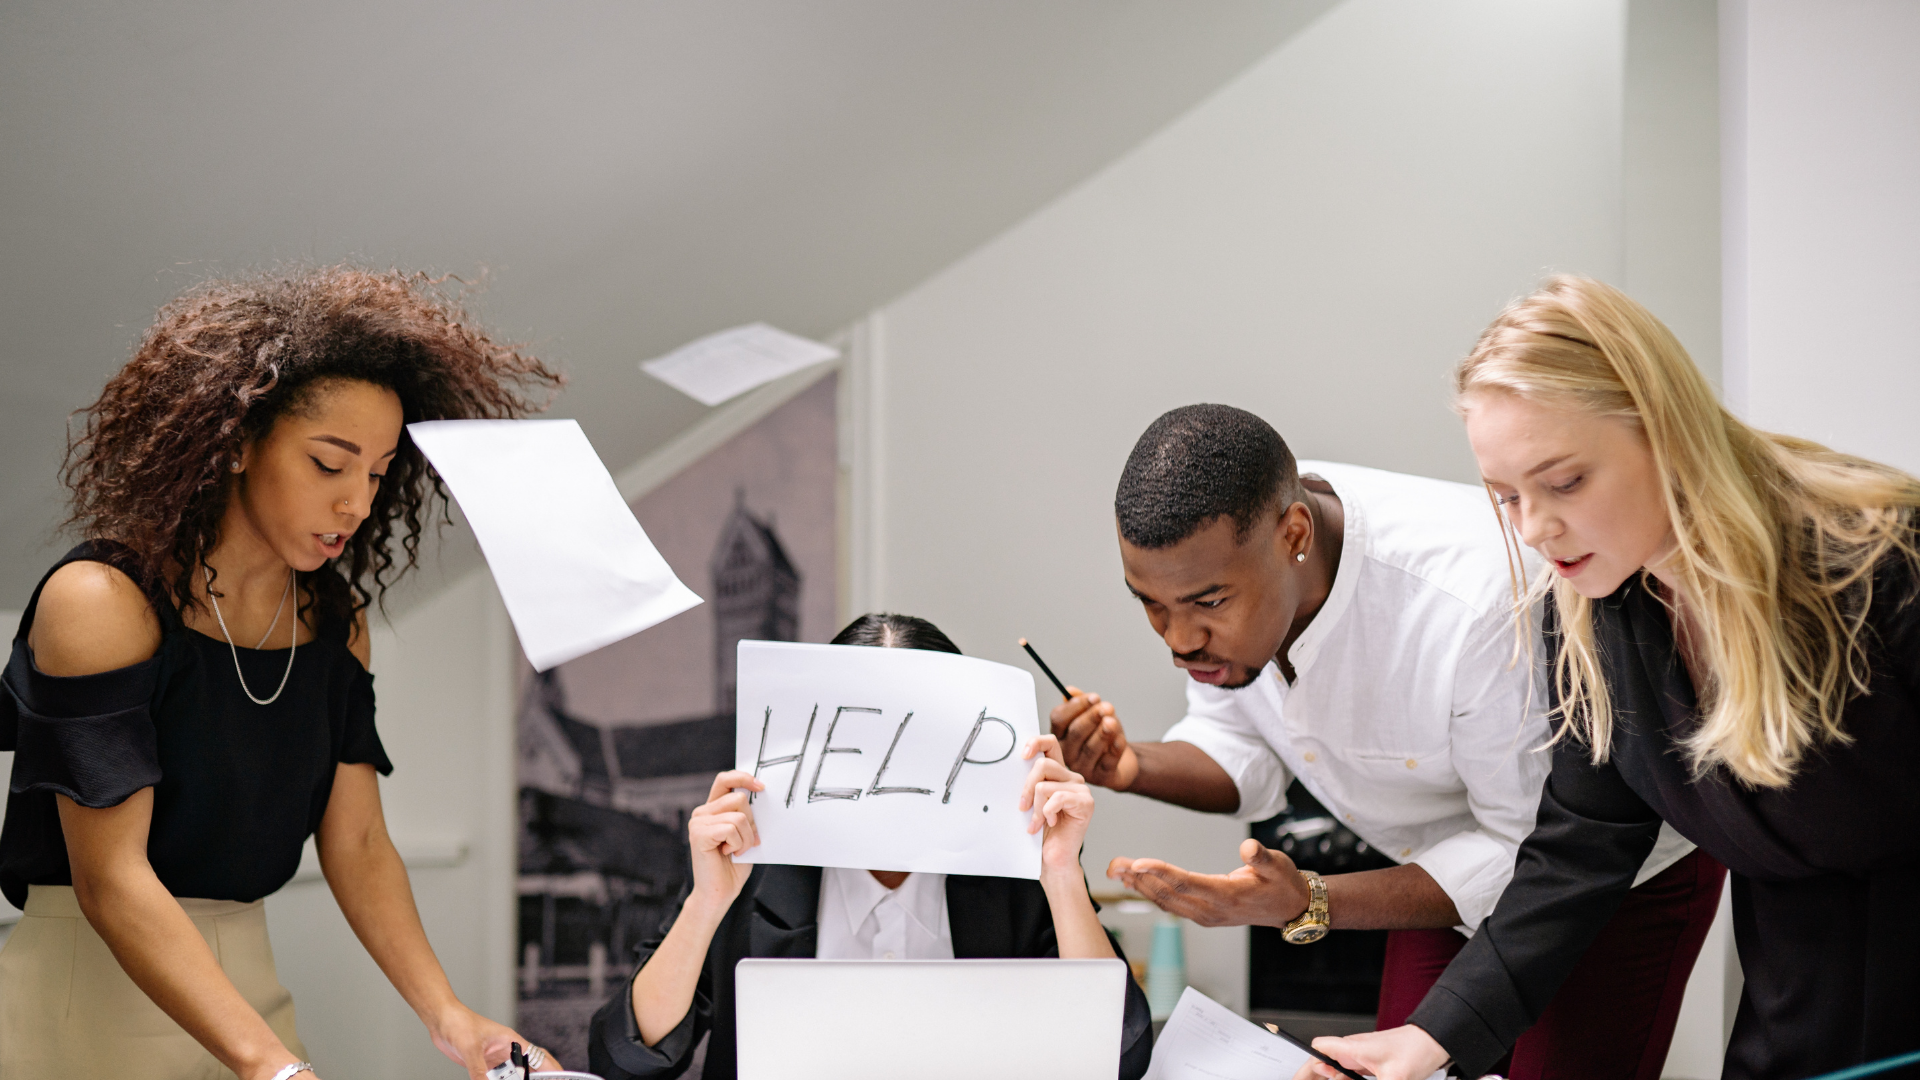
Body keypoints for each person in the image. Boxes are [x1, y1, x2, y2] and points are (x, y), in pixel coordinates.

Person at [1300, 276, 1920, 1080]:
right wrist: (1430, 1037)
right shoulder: (1599, 607)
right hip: (1797, 1015)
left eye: (1565, 482)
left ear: (1667, 430)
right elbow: (1581, 847)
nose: (1535, 527)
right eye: (1506, 497)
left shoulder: (1881, 563)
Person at [0, 267, 567, 1079]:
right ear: (236, 443)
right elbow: (111, 879)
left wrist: (451, 1017)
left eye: (377, 473)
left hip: (248, 986)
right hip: (88, 988)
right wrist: (271, 1066)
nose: (357, 504)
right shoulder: (101, 603)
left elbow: (359, 842)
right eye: (330, 465)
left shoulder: (335, 625)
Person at [1059, 404, 1720, 1080]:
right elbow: (1241, 746)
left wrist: (1310, 901)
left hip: (1607, 878)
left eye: (1207, 604)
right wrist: (1132, 767)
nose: (1178, 640)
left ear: (1294, 534)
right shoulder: (1231, 543)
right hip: (1432, 863)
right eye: (1150, 603)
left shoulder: (1476, 603)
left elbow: (1533, 853)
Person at [589, 613, 1153, 1080]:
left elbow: (1119, 1056)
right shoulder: (750, 866)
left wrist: (1061, 876)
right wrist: (705, 904)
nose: (888, 776)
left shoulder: (1017, 872)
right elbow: (623, 1059)